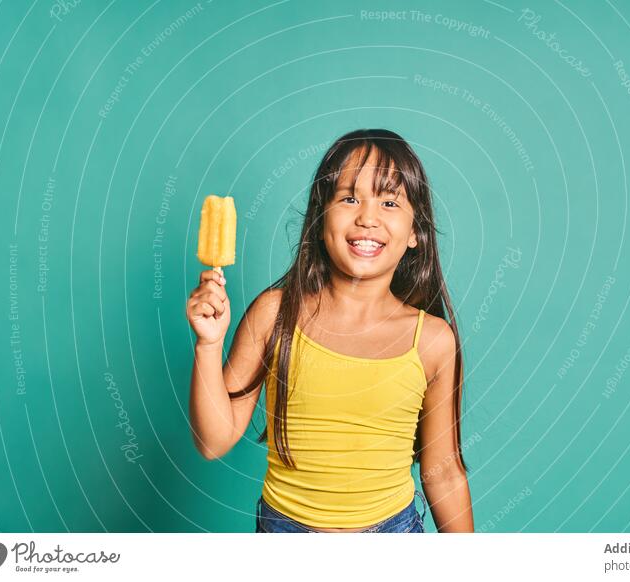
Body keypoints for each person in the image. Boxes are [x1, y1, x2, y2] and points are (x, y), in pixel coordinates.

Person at [187, 128, 473, 533]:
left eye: (389, 201)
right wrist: (208, 344)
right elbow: (212, 441)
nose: (368, 217)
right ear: (321, 219)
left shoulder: (433, 340)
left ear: (415, 233)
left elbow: (443, 473)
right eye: (349, 198)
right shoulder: (275, 315)